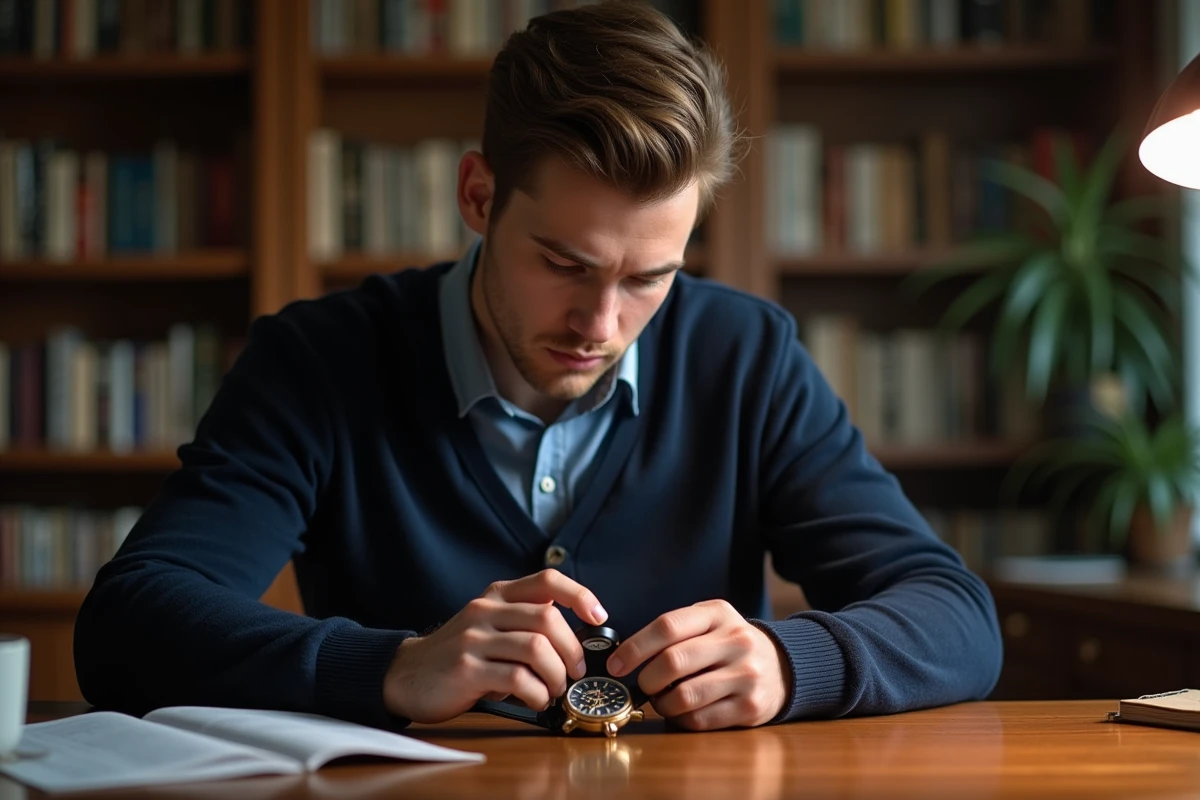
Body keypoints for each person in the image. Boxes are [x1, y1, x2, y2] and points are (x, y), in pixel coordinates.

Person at [74, 0, 1002, 733]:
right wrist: (393, 666)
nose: (602, 323)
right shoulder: (320, 360)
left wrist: (798, 663)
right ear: (478, 195)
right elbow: (130, 625)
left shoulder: (744, 354)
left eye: (651, 277)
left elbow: (957, 616)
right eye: (564, 264)